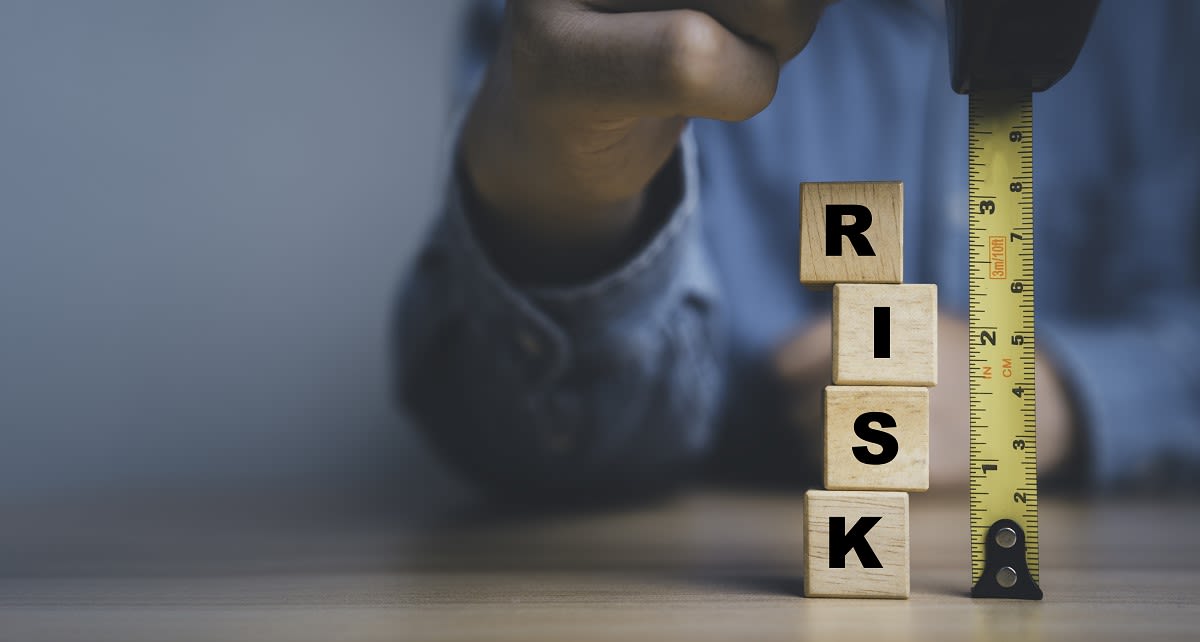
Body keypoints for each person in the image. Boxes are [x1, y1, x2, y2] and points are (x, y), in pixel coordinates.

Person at [396, 0, 1200, 500]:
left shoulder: (1168, 27)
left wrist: (1052, 395)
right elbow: (509, 434)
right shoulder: (595, 17)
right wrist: (554, 216)